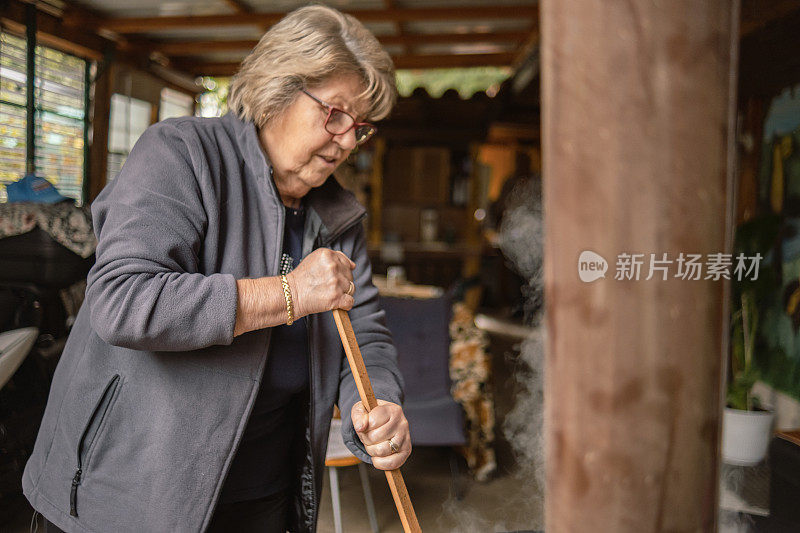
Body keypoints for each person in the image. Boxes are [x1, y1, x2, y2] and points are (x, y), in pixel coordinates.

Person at [22, 5, 409, 532]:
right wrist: (288, 294)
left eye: (360, 128)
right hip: (132, 496)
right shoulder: (181, 153)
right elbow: (122, 301)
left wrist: (379, 401)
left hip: (265, 496)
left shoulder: (336, 214)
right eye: (335, 114)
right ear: (278, 89)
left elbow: (365, 332)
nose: (346, 140)